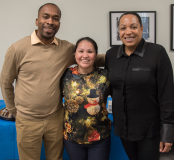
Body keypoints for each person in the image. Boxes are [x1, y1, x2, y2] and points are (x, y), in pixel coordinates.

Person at [0, 3, 105, 160]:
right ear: (37, 20)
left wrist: (120, 56)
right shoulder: (17, 49)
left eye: (55, 18)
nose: (50, 21)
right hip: (27, 121)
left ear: (59, 24)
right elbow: (6, 83)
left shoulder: (66, 49)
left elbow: (89, 57)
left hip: (55, 119)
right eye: (46, 16)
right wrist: (14, 111)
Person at [105, 11, 174, 160]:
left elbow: (167, 95)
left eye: (133, 27)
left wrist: (167, 133)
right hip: (123, 127)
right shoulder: (111, 55)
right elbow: (109, 87)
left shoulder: (157, 52)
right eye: (123, 28)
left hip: (150, 129)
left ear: (142, 28)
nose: (128, 32)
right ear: (119, 31)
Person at [62, 37, 111, 160]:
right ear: (75, 54)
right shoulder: (65, 75)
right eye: (81, 51)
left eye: (90, 51)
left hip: (100, 138)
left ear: (96, 55)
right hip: (72, 138)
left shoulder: (105, 76)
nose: (85, 55)